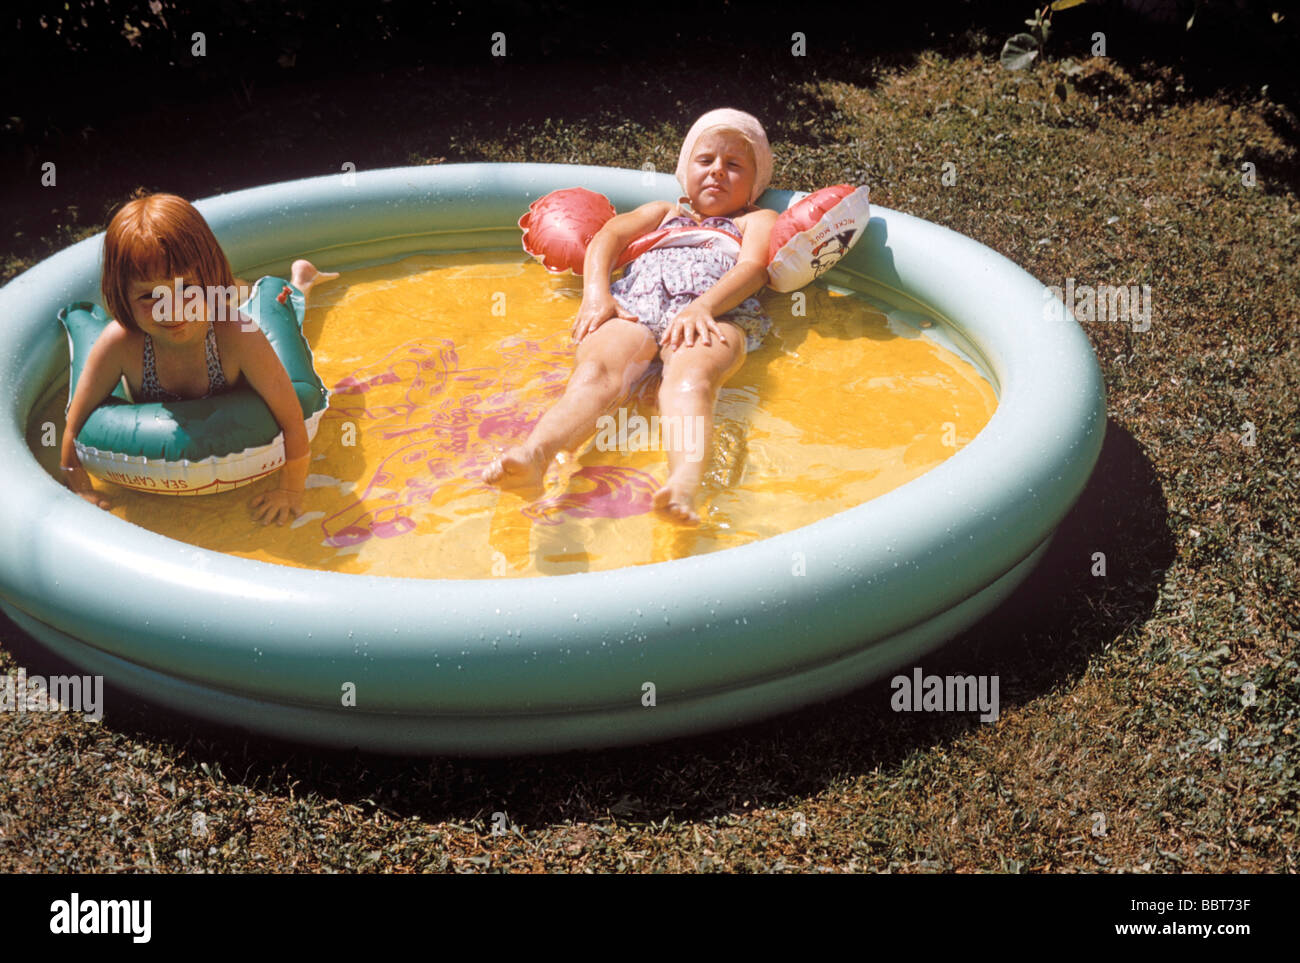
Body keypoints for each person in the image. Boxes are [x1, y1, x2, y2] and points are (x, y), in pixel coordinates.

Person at [485, 108, 777, 523]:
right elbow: (607, 238)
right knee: (595, 375)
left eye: (734, 165)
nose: (716, 172)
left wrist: (703, 306)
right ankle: (535, 456)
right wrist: (596, 295)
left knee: (691, 381)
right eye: (705, 160)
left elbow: (753, 269)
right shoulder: (663, 213)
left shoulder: (755, 220)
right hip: (635, 306)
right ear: (684, 170)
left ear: (755, 184)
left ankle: (683, 483)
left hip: (714, 313)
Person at [59, 192, 337, 525]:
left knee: (283, 315)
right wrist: (80, 489)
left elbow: (293, 420)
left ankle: (300, 282)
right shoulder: (120, 344)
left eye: (186, 287)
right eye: (149, 295)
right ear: (122, 295)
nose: (171, 308)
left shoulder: (236, 336)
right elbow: (74, 425)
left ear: (210, 277)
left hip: (229, 323)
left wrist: (290, 492)